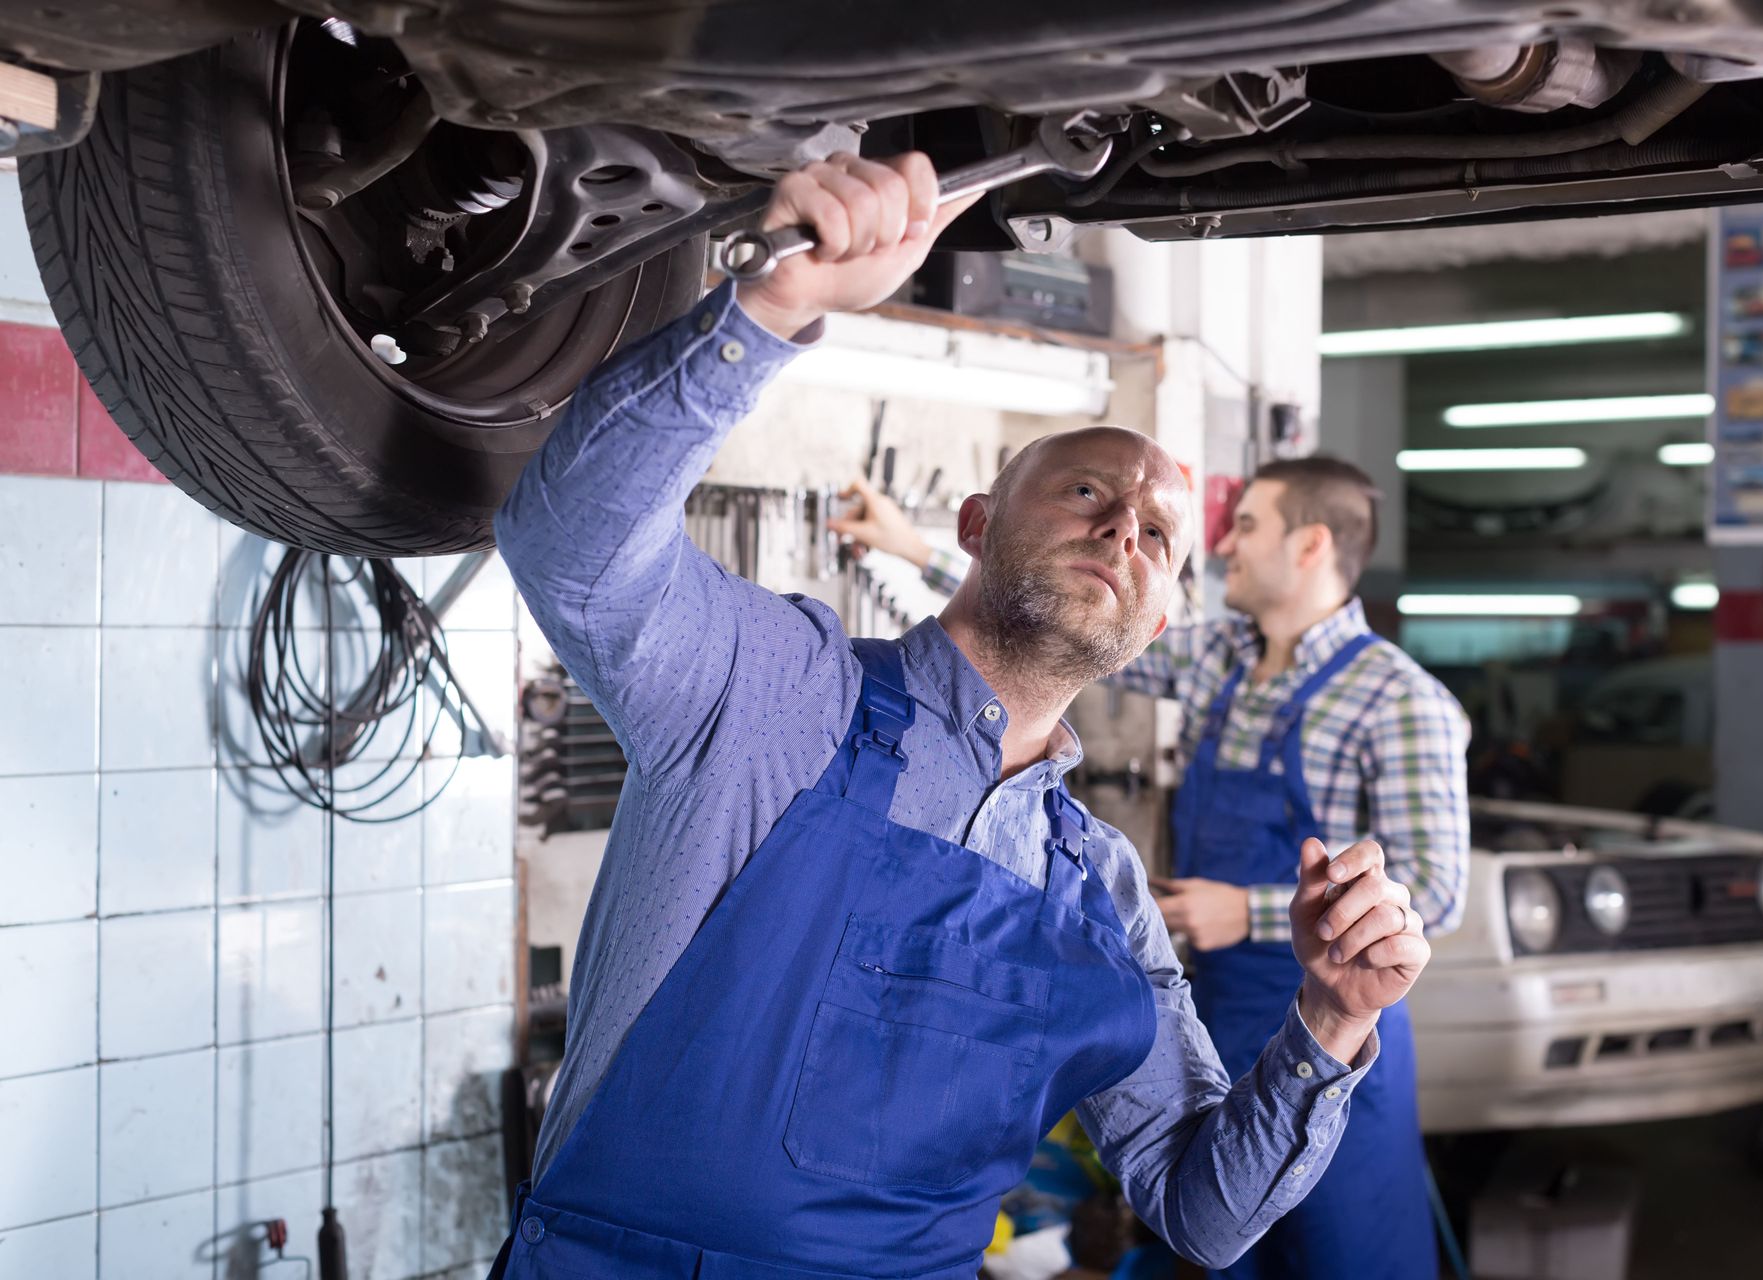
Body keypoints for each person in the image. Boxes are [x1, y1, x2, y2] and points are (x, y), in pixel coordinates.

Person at [491, 147, 1434, 1279]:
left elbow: (1200, 1207)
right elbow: (570, 547)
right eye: (1088, 488)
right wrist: (775, 304)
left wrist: (1328, 1022)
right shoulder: (779, 689)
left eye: (1161, 534)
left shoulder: (1101, 893)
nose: (1126, 524)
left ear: (1162, 627)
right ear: (979, 523)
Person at [839, 457, 1471, 1279]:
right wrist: (915, 548)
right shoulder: (1225, 661)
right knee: (1217, 1241)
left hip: (1334, 1024)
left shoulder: (1399, 698)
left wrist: (1245, 910)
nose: (1224, 543)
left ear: (1312, 545)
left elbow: (1438, 885)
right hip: (1223, 1020)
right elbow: (1085, 613)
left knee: (1345, 1261)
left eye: (1247, 525)